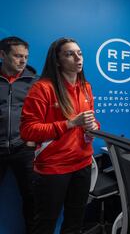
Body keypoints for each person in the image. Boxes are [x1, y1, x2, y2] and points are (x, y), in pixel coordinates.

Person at [20, 37, 99, 234]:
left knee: (75, 222)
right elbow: (28, 131)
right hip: (53, 168)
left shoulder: (85, 87)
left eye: (79, 53)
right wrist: (70, 123)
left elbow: (92, 121)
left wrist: (93, 128)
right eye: (69, 54)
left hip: (82, 163)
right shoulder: (43, 88)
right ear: (57, 60)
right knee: (45, 224)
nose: (77, 58)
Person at [0, 36, 38, 233]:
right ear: (2, 55)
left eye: (25, 56)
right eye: (17, 56)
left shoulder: (35, 82)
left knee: (32, 197)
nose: (23, 61)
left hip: (23, 148)